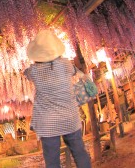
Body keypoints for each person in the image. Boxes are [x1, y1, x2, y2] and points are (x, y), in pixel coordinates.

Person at [23, 30, 91, 168]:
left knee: (52, 161)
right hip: (69, 117)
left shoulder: (34, 71)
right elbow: (76, 72)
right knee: (79, 153)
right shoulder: (65, 65)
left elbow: (25, 73)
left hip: (48, 123)